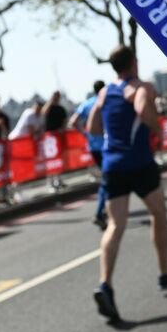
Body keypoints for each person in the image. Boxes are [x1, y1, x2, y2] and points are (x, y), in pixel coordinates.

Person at [87, 45, 167, 323]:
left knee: (115, 225)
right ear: (133, 62)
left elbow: (93, 128)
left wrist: (114, 129)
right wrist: (155, 127)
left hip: (112, 165)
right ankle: (165, 272)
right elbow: (143, 110)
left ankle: (105, 284)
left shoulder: (105, 92)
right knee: (158, 213)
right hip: (140, 163)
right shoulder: (141, 87)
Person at [68, 81, 107, 230]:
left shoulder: (86, 104)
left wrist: (85, 134)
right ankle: (100, 212)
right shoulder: (105, 101)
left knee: (108, 177)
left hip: (94, 147)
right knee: (109, 178)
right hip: (107, 145)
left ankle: (105, 210)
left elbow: (72, 122)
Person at [42, 91, 68, 192]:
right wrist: (50, 102)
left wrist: (62, 129)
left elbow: (65, 121)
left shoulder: (61, 109)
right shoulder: (48, 107)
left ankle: (59, 180)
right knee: (50, 161)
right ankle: (50, 182)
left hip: (59, 137)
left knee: (59, 160)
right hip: (49, 139)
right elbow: (43, 113)